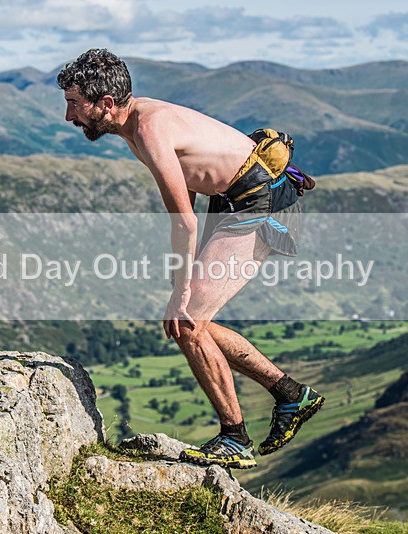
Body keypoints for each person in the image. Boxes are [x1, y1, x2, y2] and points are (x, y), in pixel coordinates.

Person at [57, 49, 323, 469]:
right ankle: (290, 395)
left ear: (105, 104)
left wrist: (181, 289)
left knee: (187, 321)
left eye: (74, 103)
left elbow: (183, 218)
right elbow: (191, 189)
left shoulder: (149, 130)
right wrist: (185, 278)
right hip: (238, 197)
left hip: (260, 202)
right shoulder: (138, 124)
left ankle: (235, 438)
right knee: (194, 316)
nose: (69, 115)